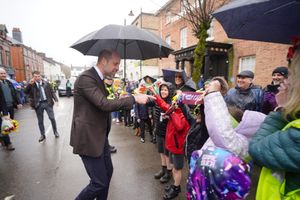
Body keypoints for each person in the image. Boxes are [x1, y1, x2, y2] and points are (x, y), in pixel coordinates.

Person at [70, 49, 153, 200]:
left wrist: (120, 98)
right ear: (103, 61)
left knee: (108, 172)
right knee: (98, 182)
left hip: (100, 137)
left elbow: (102, 103)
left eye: (119, 64)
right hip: (88, 138)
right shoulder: (86, 78)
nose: (117, 68)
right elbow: (103, 104)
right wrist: (133, 99)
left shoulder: (98, 79)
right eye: (115, 64)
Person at [249, 44, 300, 200]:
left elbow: (257, 149)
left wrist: (282, 108)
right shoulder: (266, 91)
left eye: (290, 74)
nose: (282, 80)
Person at [25, 71, 59, 143]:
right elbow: (25, 92)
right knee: (40, 121)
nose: (37, 78)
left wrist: (56, 100)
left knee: (52, 118)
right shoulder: (31, 85)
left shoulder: (46, 83)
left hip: (47, 103)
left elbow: (52, 91)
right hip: (38, 104)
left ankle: (55, 131)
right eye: (35, 76)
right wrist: (29, 84)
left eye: (38, 76)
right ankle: (42, 135)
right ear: (33, 77)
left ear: (40, 76)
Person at [0, 68, 22, 150]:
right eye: (1, 74)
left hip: (10, 106)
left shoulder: (8, 82)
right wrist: (4, 113)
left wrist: (18, 103)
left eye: (4, 73)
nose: (3, 75)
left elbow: (14, 93)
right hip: (2, 109)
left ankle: (2, 137)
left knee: (9, 124)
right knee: (5, 125)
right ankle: (8, 143)